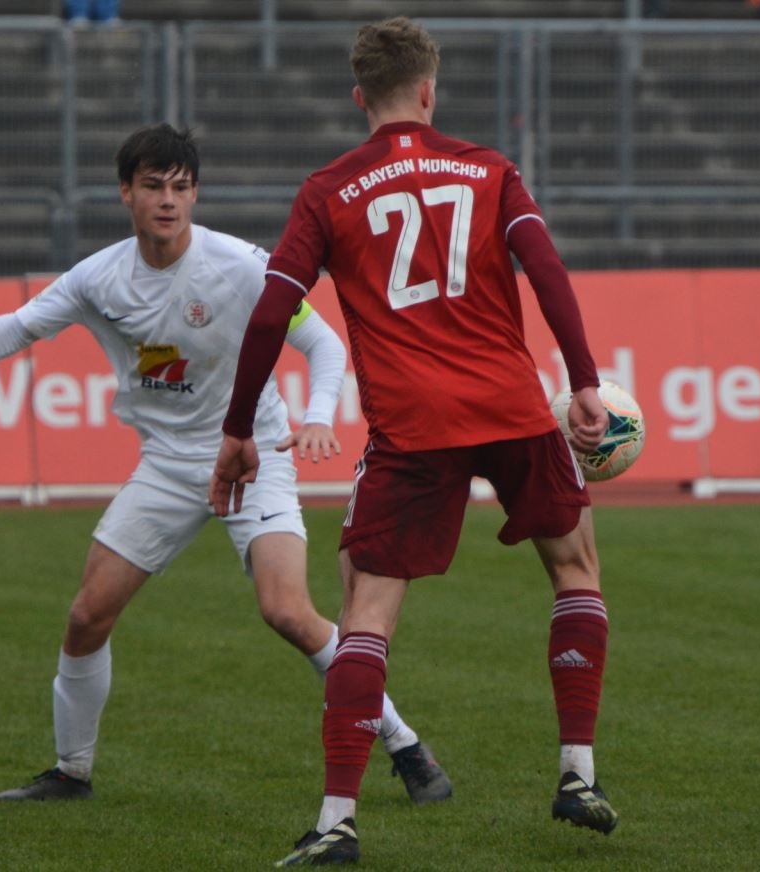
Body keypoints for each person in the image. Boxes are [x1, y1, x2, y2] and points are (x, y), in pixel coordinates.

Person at [0, 123, 451, 807]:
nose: (168, 200)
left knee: (287, 610)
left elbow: (322, 344)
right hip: (167, 466)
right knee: (86, 616)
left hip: (252, 454)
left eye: (181, 186)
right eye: (153, 186)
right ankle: (71, 772)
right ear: (126, 194)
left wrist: (318, 415)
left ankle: (405, 746)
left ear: (195, 194)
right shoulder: (98, 278)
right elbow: (17, 328)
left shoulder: (243, 266)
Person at [210, 17, 616, 866]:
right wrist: (582, 379)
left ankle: (336, 822)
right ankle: (578, 771)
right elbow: (547, 271)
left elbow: (271, 313)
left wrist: (239, 427)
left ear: (360, 97)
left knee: (367, 612)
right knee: (574, 566)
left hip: (412, 426)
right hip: (512, 408)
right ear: (430, 91)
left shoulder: (328, 189)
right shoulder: (488, 169)